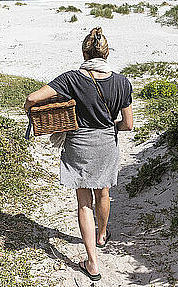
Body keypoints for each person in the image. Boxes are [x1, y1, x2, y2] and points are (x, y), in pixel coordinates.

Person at [24, 27, 133, 281]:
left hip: (79, 144)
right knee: (103, 191)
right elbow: (128, 124)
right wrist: (110, 127)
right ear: (106, 53)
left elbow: (32, 97)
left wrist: (30, 110)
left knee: (84, 202)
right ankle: (102, 235)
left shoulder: (71, 79)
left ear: (84, 52)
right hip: (107, 142)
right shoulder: (122, 82)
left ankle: (92, 263)